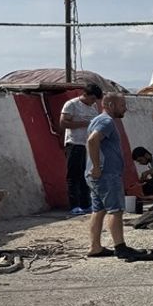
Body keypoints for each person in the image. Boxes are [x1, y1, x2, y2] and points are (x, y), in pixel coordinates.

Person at [85, 93, 140, 259]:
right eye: (122, 105)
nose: (125, 108)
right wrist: (96, 166)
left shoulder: (98, 120)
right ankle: (120, 247)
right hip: (106, 174)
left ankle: (95, 246)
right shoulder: (106, 121)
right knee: (115, 210)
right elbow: (92, 141)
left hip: (98, 175)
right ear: (109, 104)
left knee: (98, 210)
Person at [59, 84, 103, 215]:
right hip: (75, 143)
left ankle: (86, 203)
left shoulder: (93, 107)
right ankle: (74, 205)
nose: (93, 102)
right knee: (74, 175)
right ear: (86, 95)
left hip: (89, 145)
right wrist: (84, 124)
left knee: (87, 175)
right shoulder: (71, 105)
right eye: (93, 98)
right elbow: (63, 123)